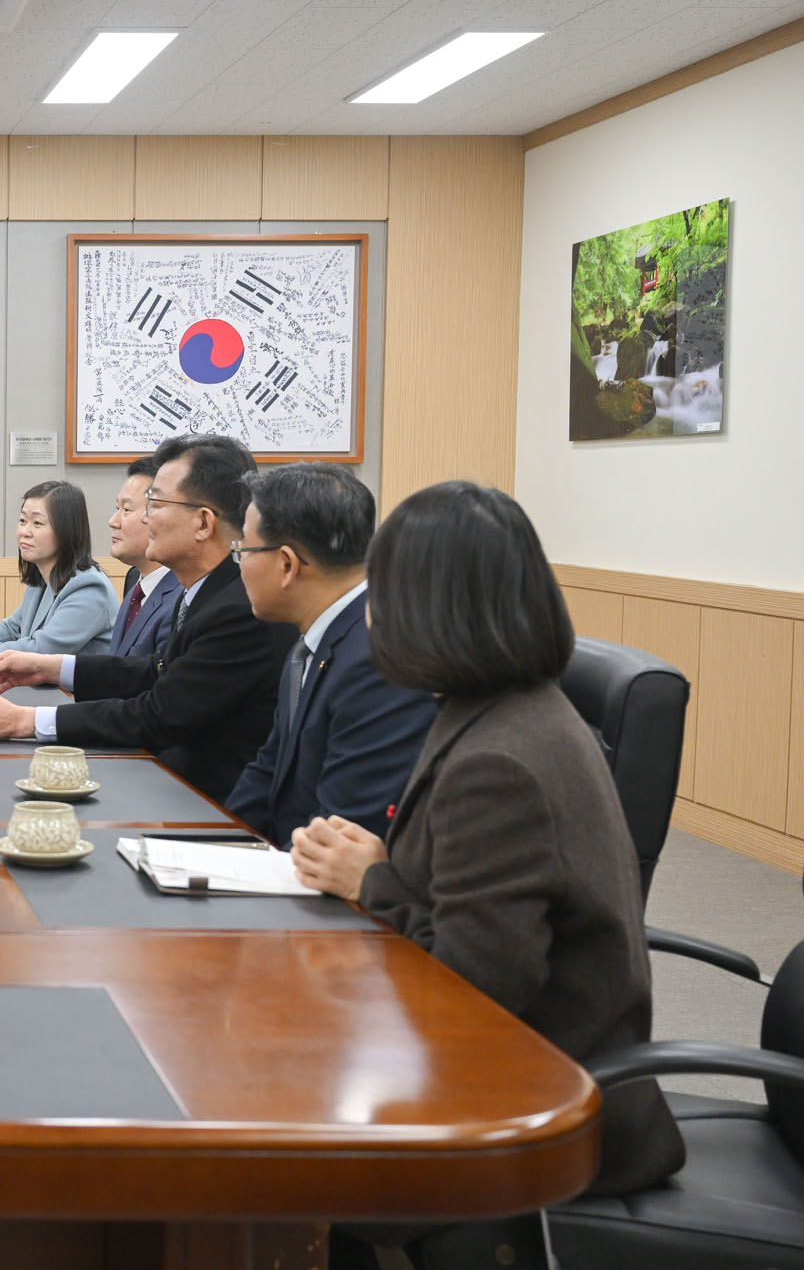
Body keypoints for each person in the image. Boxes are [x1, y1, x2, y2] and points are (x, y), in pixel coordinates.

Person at [292, 482, 684, 1214]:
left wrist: (370, 882)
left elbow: (472, 990)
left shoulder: (499, 762)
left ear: (428, 610)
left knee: (278, 1136)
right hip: (517, 1065)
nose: (370, 613)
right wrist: (378, 864)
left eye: (383, 593)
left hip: (533, 1108)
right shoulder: (503, 709)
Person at [0, 435, 293, 803]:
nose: (144, 518)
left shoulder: (238, 610)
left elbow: (160, 714)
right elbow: (155, 671)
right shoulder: (203, 591)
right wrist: (51, 668)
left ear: (203, 523)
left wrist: (23, 721)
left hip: (206, 809)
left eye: (154, 504)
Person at [227, 465, 436, 849]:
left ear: (287, 564)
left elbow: (344, 825)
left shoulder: (378, 660)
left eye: (242, 550)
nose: (239, 565)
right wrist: (214, 849)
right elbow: (268, 770)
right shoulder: (314, 639)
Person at [0, 479, 116, 663]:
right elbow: (13, 628)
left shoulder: (89, 588)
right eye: (23, 520)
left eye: (37, 523)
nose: (25, 531)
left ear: (66, 531)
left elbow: (43, 649)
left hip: (79, 687)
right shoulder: (43, 577)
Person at [106, 455, 181, 658]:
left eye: (127, 509)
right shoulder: (136, 587)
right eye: (117, 508)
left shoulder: (182, 600)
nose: (113, 521)